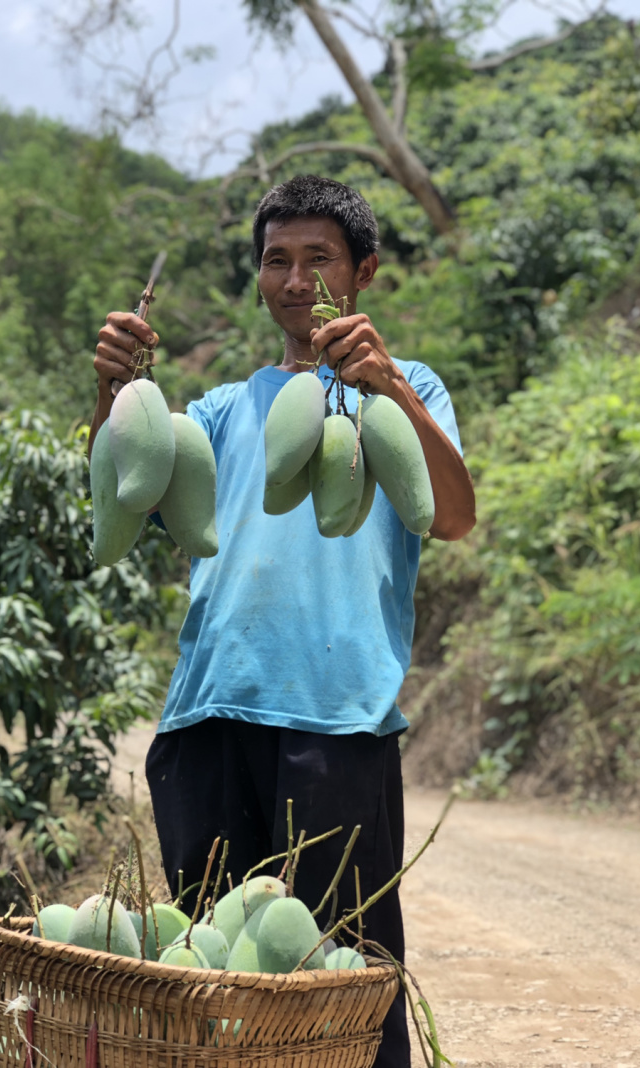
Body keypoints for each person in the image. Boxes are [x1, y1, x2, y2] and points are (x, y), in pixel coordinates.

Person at [90, 175, 475, 1067]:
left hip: (336, 721)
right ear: (260, 278)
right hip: (208, 721)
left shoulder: (408, 391)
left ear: (364, 272)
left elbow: (452, 516)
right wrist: (110, 395)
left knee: (345, 983)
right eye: (276, 261)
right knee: (213, 988)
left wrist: (389, 389)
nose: (296, 281)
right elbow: (127, 492)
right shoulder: (222, 411)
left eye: (319, 260)